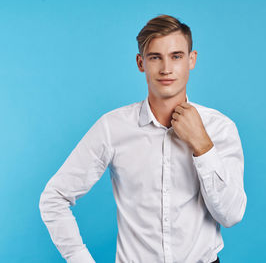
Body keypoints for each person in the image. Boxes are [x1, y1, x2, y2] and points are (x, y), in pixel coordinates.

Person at [39, 14, 247, 263]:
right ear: (141, 63)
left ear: (192, 60)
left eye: (176, 56)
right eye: (155, 57)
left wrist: (202, 145)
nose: (166, 68)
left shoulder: (220, 128)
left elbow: (231, 215)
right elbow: (54, 197)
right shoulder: (112, 127)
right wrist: (78, 257)